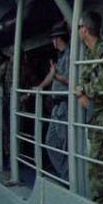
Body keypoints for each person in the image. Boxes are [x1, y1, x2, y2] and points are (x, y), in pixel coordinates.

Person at [75, 12, 103, 204]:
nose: (78, 31)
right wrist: (81, 91)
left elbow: (102, 85)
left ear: (85, 29)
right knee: (96, 165)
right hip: (97, 116)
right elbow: (82, 80)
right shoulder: (90, 53)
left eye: (79, 27)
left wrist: (83, 91)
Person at [36, 23, 71, 179]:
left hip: (64, 105)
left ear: (57, 39)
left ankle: (68, 177)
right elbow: (52, 75)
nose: (52, 42)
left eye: (53, 39)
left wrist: (56, 75)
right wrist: (40, 87)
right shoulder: (61, 55)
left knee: (64, 144)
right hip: (57, 106)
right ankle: (65, 174)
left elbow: (71, 80)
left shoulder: (69, 55)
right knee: (51, 142)